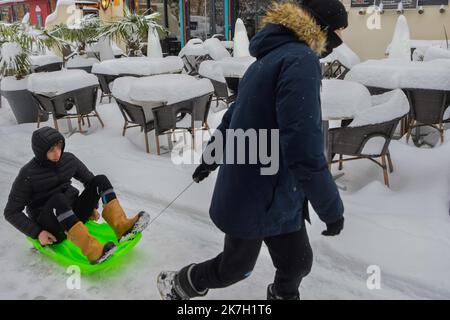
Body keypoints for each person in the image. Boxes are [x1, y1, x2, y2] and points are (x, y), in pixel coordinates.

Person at [157, 0, 347, 300]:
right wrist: (331, 209)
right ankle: (182, 283)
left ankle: (282, 296)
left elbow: (234, 117)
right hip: (254, 189)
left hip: (280, 192)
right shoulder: (299, 60)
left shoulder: (272, 59)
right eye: (339, 29)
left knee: (297, 262)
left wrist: (210, 158)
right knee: (235, 267)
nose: (342, 38)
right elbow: (302, 145)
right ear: (321, 26)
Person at [4, 126, 150, 264]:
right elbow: (11, 212)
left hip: (72, 214)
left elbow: (90, 181)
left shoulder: (68, 160)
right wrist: (38, 233)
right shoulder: (28, 174)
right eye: (51, 150)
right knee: (58, 200)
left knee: (100, 180)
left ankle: (121, 227)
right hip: (52, 228)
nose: (57, 153)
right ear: (40, 152)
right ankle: (93, 251)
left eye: (59, 147)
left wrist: (91, 207)